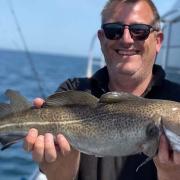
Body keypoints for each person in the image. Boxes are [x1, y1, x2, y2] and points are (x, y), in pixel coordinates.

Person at [24, 0, 180, 179]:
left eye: (139, 30)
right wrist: (59, 162)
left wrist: (172, 173)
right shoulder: (74, 91)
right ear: (101, 38)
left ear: (158, 41)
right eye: (114, 30)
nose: (127, 39)